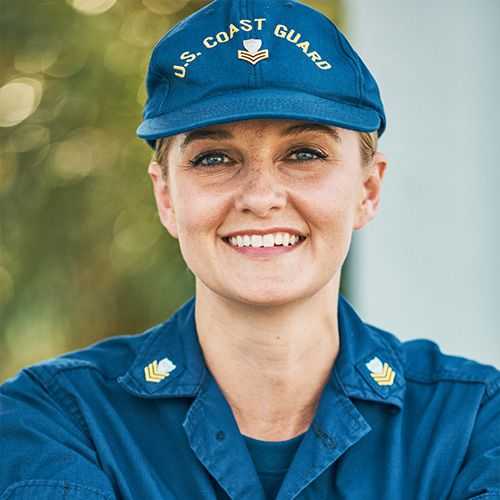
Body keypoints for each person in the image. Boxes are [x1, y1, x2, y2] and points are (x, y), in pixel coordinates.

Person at [1, 0, 499, 499]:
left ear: (367, 191)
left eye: (305, 154)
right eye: (214, 158)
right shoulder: (56, 419)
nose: (260, 197)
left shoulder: (473, 423)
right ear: (167, 195)